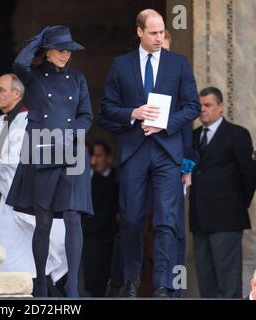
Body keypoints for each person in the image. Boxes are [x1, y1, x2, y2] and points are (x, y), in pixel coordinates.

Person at [99, 9, 200, 297]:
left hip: (167, 152)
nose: (158, 38)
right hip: (134, 152)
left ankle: (162, 285)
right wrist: (133, 112)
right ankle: (130, 281)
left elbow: (192, 106)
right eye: (153, 33)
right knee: (131, 219)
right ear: (140, 32)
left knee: (166, 221)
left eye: (161, 32)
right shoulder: (121, 64)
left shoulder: (178, 64)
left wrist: (165, 124)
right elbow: (107, 108)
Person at [6, 26, 93, 297]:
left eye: (68, 50)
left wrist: (71, 135)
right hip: (41, 150)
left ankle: (73, 285)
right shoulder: (35, 76)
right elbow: (19, 62)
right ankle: (41, 282)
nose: (66, 55)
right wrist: (40, 38)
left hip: (71, 152)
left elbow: (86, 115)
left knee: (73, 216)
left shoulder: (78, 79)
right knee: (43, 221)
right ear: (48, 51)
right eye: (60, 49)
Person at [0, 74, 68, 285]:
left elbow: (17, 164)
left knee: (21, 265)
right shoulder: (3, 121)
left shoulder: (27, 121)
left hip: (18, 205)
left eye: (1, 90)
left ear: (17, 94)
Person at [189, 87, 255, 298]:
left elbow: (249, 175)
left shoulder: (237, 134)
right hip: (199, 219)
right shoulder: (193, 136)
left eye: (207, 105)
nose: (202, 110)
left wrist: (236, 205)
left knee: (228, 283)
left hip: (227, 218)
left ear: (220, 107)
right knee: (206, 282)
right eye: (199, 105)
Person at [82, 142, 119, 297]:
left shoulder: (118, 178)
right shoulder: (89, 180)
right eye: (92, 156)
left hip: (109, 239)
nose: (94, 161)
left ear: (109, 158)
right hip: (90, 239)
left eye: (99, 156)